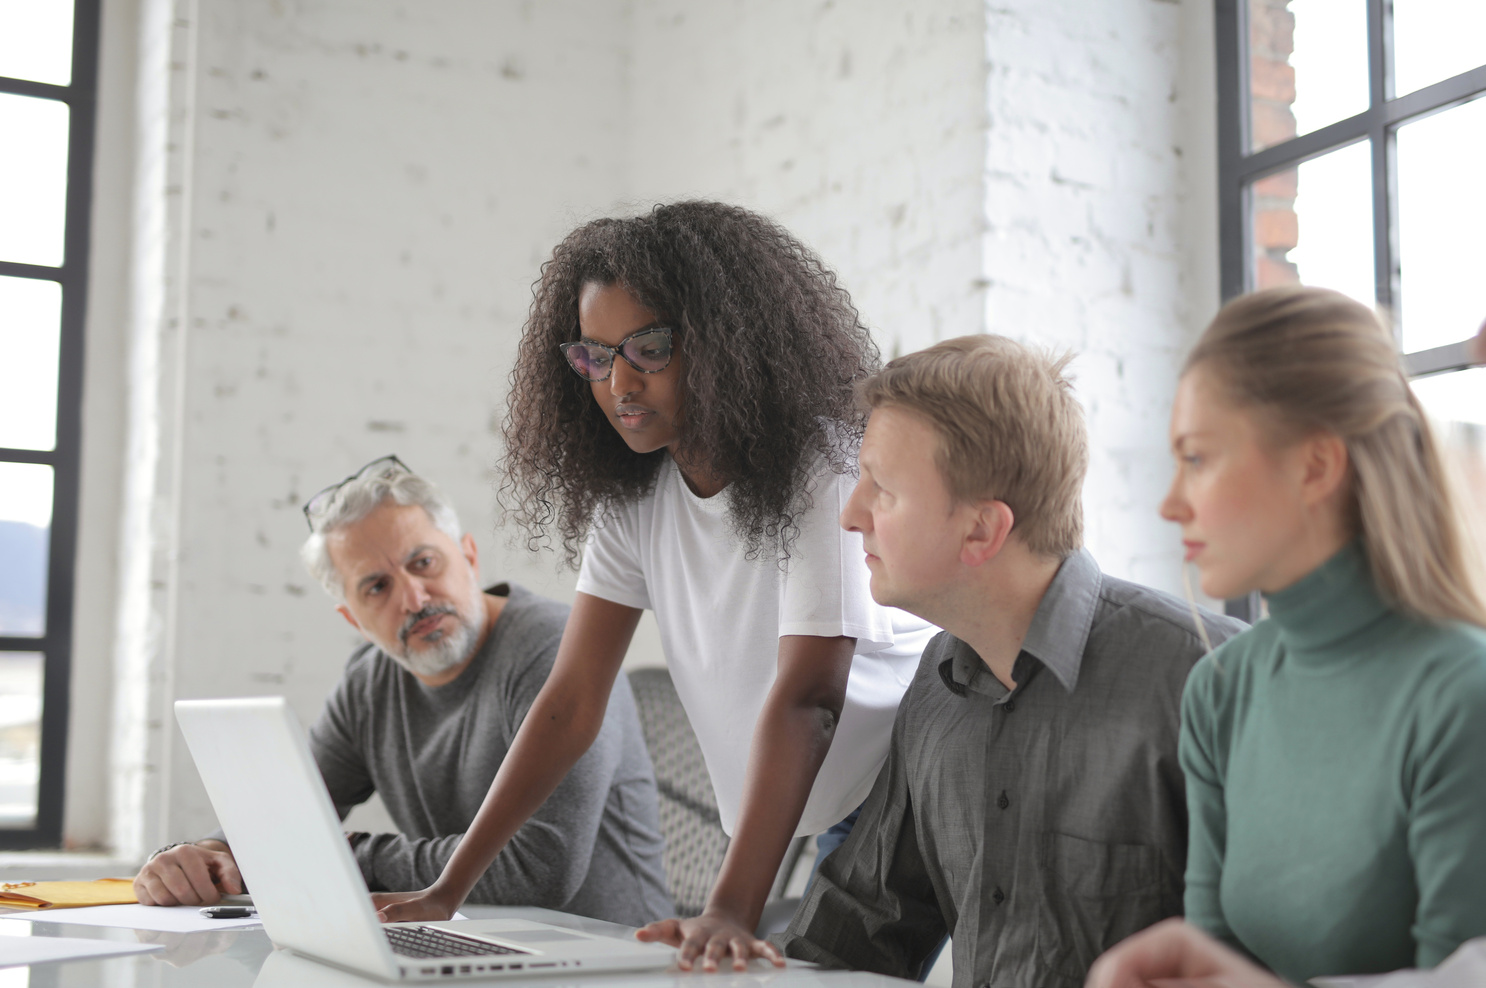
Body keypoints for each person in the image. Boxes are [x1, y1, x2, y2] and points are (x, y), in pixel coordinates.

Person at [373, 201, 935, 970]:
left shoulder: (824, 472)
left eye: (649, 349)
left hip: (901, 782)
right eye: (596, 357)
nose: (619, 384)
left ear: (728, 342)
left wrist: (730, 907)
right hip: (811, 808)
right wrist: (448, 889)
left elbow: (811, 698)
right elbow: (572, 701)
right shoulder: (634, 499)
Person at [777, 335, 1244, 987]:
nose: (852, 515)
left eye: (881, 488)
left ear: (981, 531)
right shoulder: (937, 686)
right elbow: (861, 924)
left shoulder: (1210, 679)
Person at [132, 457, 673, 928]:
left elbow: (537, 871)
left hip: (608, 954)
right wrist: (209, 853)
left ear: (468, 556)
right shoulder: (370, 684)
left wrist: (340, 855)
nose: (414, 598)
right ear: (352, 617)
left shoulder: (555, 650)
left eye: (423, 563)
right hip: (472, 944)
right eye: (377, 587)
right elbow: (285, 817)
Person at [1158, 286, 1486, 982]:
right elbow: (1209, 967)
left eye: (1196, 458)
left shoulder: (1463, 695)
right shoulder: (1220, 689)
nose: (1170, 503)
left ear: (1315, 465)